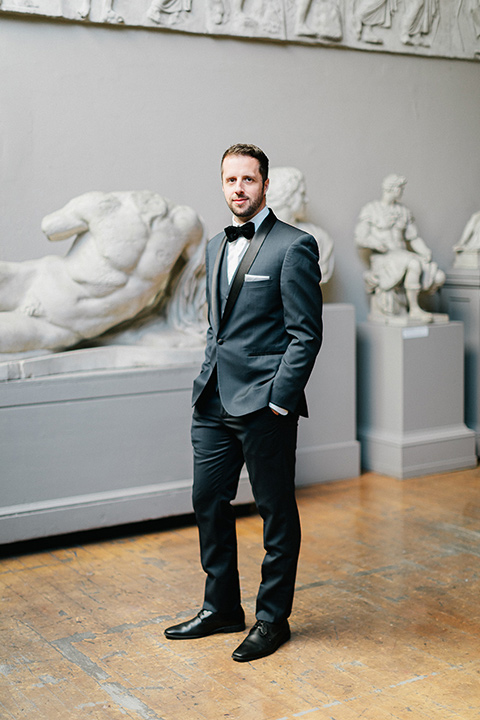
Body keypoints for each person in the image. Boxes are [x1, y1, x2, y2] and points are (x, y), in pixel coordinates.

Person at [164, 143, 323, 661]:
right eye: (230, 180)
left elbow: (305, 335)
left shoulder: (294, 246)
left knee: (275, 513)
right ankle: (221, 608)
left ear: (265, 185)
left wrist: (279, 401)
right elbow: (218, 328)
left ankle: (272, 619)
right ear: (223, 184)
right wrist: (204, 379)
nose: (238, 189)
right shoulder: (214, 245)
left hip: (262, 406)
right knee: (208, 502)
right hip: (212, 402)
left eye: (248, 180)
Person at [355, 174, 445, 322]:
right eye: (400, 188)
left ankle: (415, 307)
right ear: (392, 188)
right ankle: (415, 308)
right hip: (383, 258)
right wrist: (376, 243)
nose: (401, 192)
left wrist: (424, 251)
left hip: (401, 255)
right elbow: (360, 238)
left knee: (437, 275)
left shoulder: (404, 212)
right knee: (414, 263)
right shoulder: (371, 210)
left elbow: (413, 238)